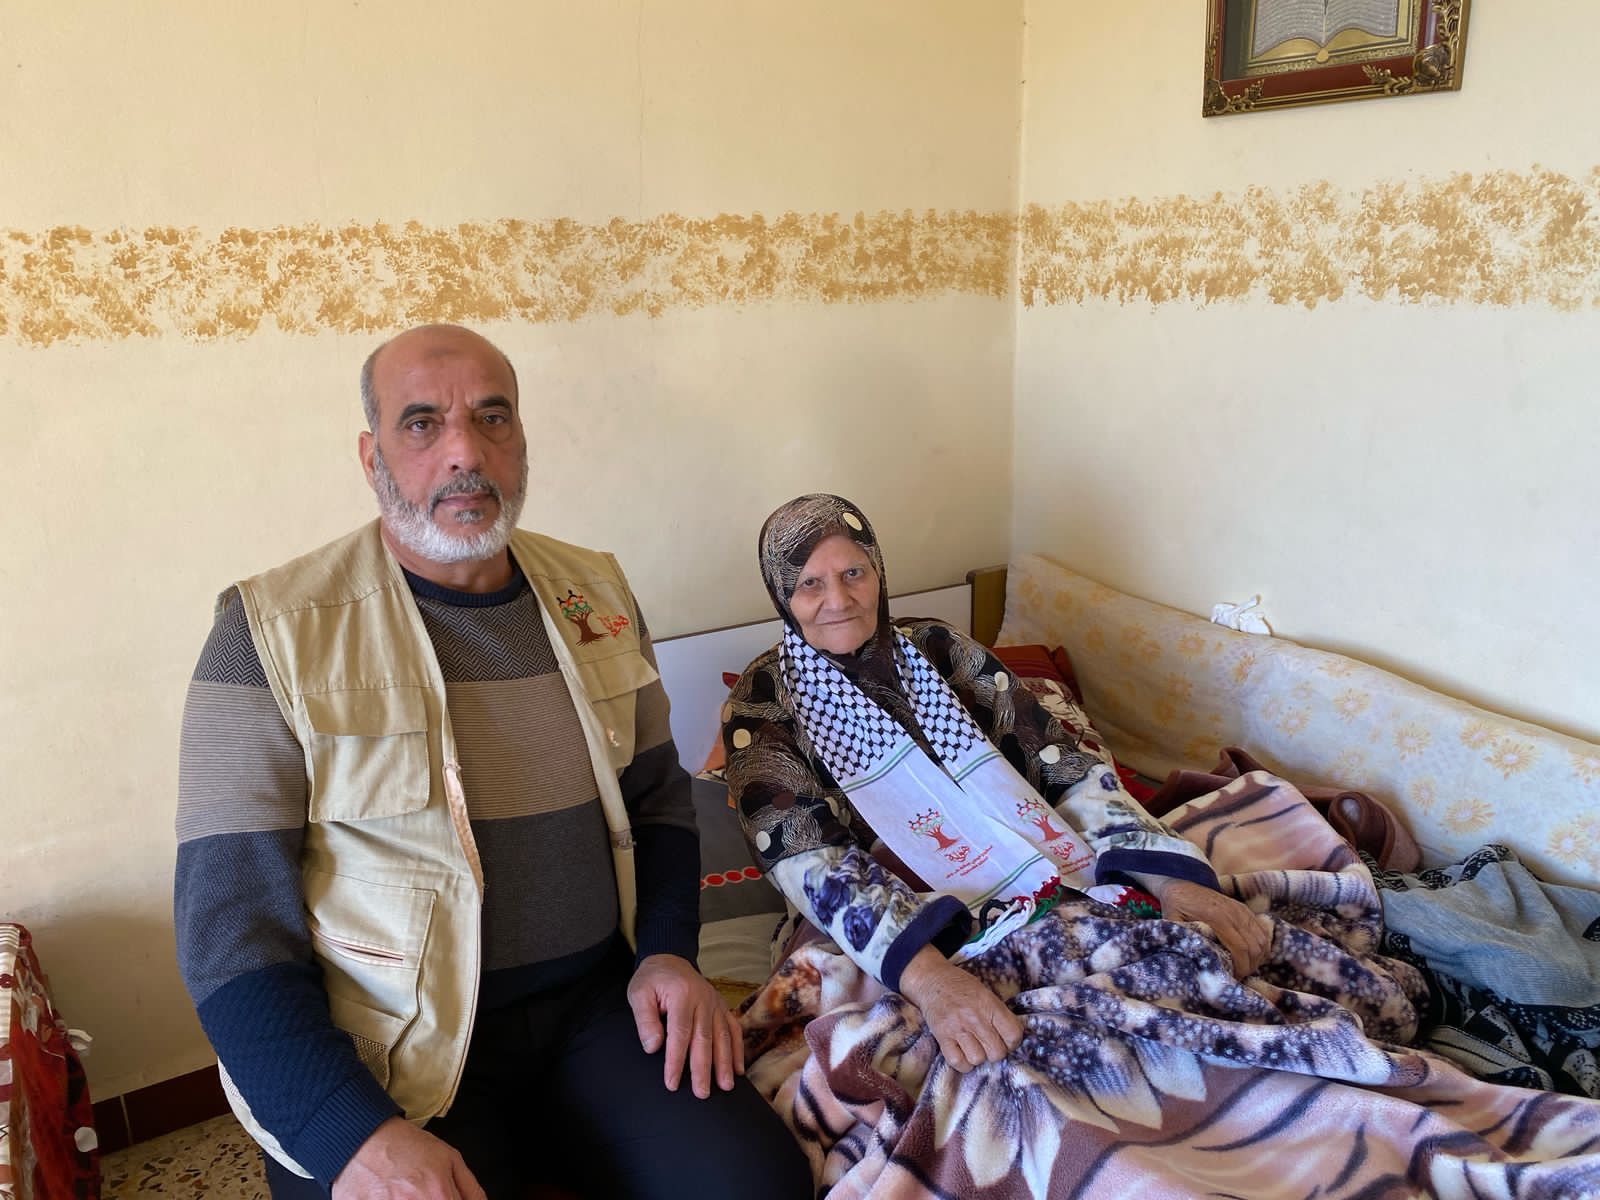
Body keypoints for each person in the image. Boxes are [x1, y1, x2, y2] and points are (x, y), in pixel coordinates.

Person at [175, 325, 809, 1199]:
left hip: (597, 1007)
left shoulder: (597, 593)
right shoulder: (265, 635)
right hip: (391, 1050)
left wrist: (667, 954)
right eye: (422, 423)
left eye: (492, 417)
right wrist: (352, 1137)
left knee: (755, 1184)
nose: (465, 453)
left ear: (520, 439)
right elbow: (229, 936)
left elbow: (659, 801)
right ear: (371, 456)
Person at [720, 493, 1273, 1072]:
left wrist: (1170, 880)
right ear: (782, 595)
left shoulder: (939, 649)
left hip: (1042, 860)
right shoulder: (762, 704)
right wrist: (931, 981)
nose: (838, 600)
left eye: (853, 573)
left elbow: (1060, 764)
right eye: (810, 584)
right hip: (889, 913)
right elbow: (811, 863)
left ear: (878, 571)